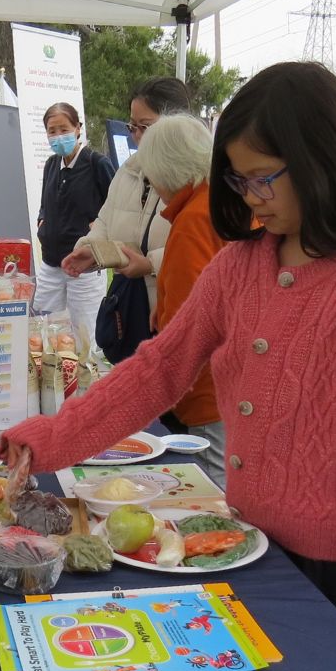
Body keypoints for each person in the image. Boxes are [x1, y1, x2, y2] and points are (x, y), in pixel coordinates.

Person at [0, 62, 336, 668]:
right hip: (244, 545)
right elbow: (158, 368)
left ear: (323, 160)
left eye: (263, 178)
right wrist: (49, 438)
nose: (251, 198)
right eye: (240, 181)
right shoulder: (242, 265)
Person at [129, 114, 229, 484]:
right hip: (227, 384)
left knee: (213, 490)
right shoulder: (215, 203)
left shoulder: (195, 219)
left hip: (206, 390)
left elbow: (192, 324)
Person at [61, 77, 188, 359]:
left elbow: (210, 249)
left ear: (179, 126)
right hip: (129, 310)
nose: (137, 136)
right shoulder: (129, 171)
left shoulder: (199, 180)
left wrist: (151, 264)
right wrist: (91, 250)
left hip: (175, 314)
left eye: (146, 127)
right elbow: (105, 222)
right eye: (133, 126)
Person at [34, 102, 116, 344]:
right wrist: (42, 222)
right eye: (52, 131)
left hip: (84, 267)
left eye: (64, 129)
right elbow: (45, 202)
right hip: (51, 263)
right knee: (44, 330)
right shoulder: (51, 164)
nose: (58, 136)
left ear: (78, 128)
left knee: (83, 335)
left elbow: (115, 205)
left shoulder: (96, 163)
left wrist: (100, 228)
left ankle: (85, 381)